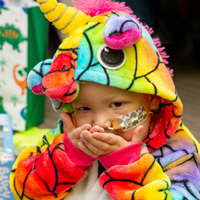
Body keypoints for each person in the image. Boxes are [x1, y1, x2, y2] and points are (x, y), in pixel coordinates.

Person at [10, 0, 200, 199]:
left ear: (152, 98)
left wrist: (129, 167)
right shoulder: (70, 135)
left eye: (117, 104)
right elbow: (24, 191)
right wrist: (67, 159)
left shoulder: (178, 150)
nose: (100, 123)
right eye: (84, 108)